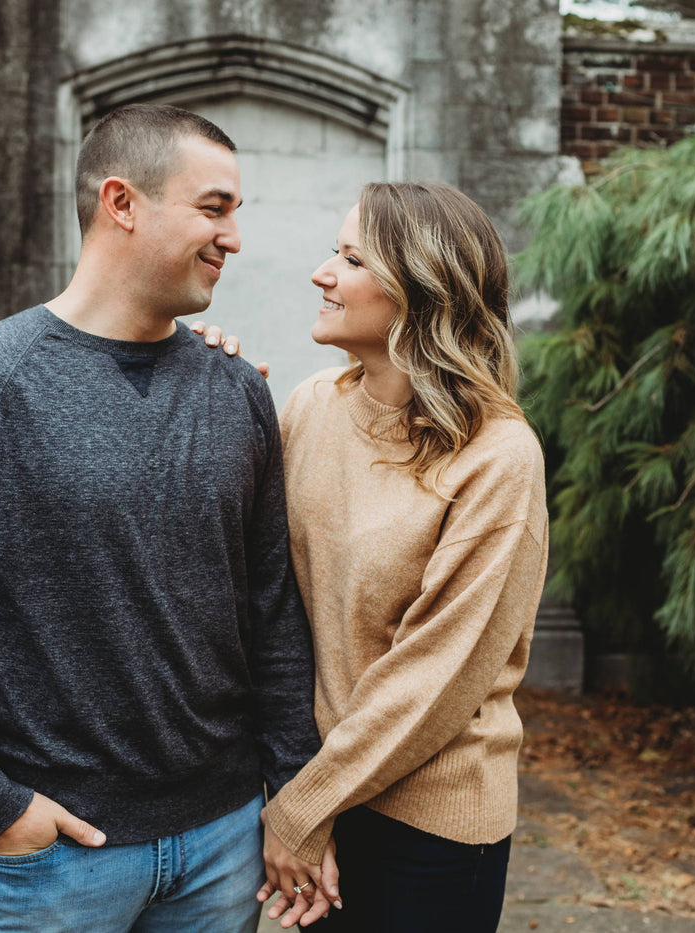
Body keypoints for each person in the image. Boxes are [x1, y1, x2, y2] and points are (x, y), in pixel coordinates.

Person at [0, 103, 327, 933]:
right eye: (215, 207)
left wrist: (291, 793)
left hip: (223, 844)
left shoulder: (235, 388)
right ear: (121, 202)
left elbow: (272, 610)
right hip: (54, 856)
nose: (235, 236)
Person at [197, 180, 548, 932]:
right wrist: (200, 389)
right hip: (314, 795)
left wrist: (301, 809)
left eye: (351, 258)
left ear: (422, 291)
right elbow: (255, 584)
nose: (323, 273)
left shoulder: (498, 455)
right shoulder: (311, 405)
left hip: (428, 822)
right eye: (334, 251)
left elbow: (437, 675)